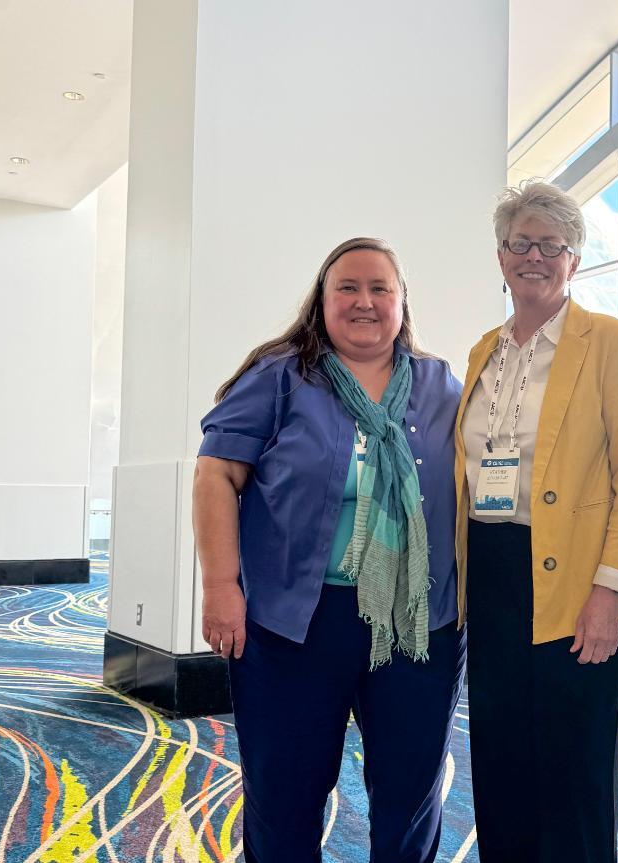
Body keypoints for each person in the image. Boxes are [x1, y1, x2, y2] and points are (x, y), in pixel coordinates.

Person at [192, 237, 464, 863]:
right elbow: (216, 476)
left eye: (380, 289)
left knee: (410, 793)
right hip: (294, 622)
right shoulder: (281, 375)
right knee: (284, 793)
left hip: (416, 624)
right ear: (322, 300)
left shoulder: (441, 384)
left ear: (402, 302)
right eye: (348, 287)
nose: (364, 301)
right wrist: (220, 588)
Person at [454, 181, 618, 862]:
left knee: (575, 769)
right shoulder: (484, 350)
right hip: (492, 575)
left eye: (551, 245)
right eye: (520, 243)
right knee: (501, 756)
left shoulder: (610, 344)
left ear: (574, 259)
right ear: (501, 255)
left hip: (578, 581)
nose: (533, 255)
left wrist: (611, 593)